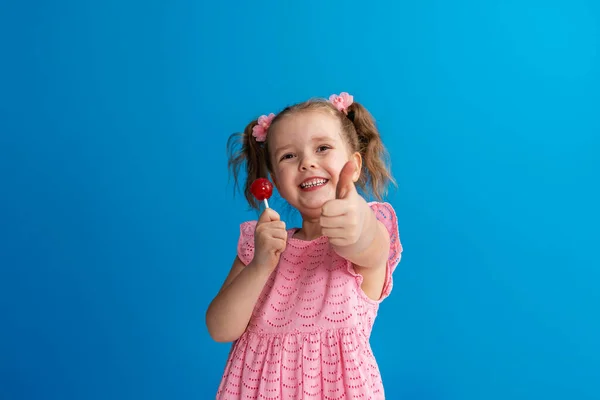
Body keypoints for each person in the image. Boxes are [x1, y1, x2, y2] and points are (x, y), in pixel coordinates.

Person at [206, 92, 403, 399]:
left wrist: (357, 223)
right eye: (288, 156)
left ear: (353, 163)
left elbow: (369, 244)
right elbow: (220, 328)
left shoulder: (367, 230)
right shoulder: (260, 244)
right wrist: (260, 266)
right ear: (275, 180)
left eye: (322, 148)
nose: (307, 163)